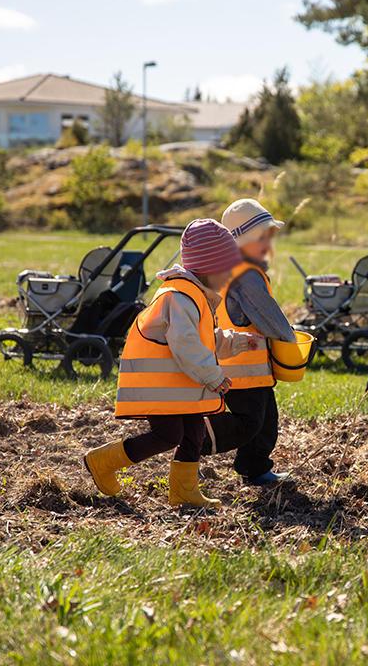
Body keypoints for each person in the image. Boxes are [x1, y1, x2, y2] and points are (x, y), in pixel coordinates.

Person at [83, 219, 261, 509]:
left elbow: (202, 340)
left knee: (195, 432)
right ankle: (102, 462)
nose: (229, 275)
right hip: (158, 388)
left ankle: (184, 491)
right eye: (226, 268)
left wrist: (237, 342)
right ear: (207, 266)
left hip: (176, 387)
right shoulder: (178, 297)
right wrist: (212, 376)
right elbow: (186, 345)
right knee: (168, 435)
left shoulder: (195, 297)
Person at [201, 198, 297, 486]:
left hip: (252, 370)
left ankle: (255, 469)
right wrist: (292, 341)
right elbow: (269, 317)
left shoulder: (234, 269)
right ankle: (189, 443)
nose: (268, 244)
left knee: (265, 423)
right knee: (249, 423)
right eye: (261, 238)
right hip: (240, 370)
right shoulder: (246, 275)